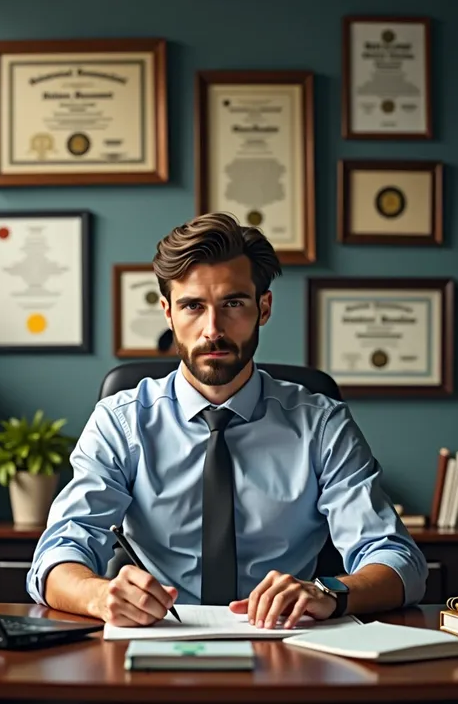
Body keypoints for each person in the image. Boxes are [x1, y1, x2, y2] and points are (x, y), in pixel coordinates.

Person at [27, 212, 427, 629]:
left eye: (233, 303)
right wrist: (100, 595)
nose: (212, 329)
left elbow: (400, 561)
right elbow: (57, 554)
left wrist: (328, 592)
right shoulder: (120, 422)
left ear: (263, 307)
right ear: (167, 312)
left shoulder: (321, 424)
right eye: (192, 306)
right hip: (155, 636)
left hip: (288, 639)